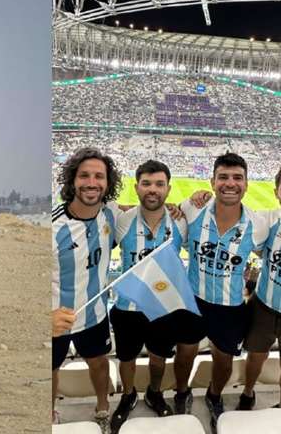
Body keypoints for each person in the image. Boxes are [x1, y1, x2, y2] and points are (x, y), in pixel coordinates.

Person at [175, 153, 269, 433]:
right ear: (212, 181)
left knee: (224, 360)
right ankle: (182, 392)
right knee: (184, 354)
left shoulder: (259, 224)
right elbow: (164, 221)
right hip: (193, 299)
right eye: (223, 177)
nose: (230, 183)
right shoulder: (192, 209)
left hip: (231, 307)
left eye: (237, 177)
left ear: (247, 184)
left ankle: (214, 396)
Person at [108, 160, 189, 433]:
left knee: (158, 358)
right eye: (146, 184)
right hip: (127, 306)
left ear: (168, 188)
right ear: (137, 187)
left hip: (162, 307)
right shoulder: (122, 221)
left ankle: (154, 392)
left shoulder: (181, 222)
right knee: (126, 359)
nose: (152, 190)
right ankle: (128, 394)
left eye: (159, 184)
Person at [52, 148, 123, 433]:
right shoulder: (54, 226)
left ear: (107, 183)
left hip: (94, 313)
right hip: (57, 320)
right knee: (50, 370)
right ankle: (49, 412)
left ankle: (102, 406)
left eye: (98, 176)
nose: (91, 182)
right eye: (84, 176)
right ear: (72, 180)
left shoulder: (109, 215)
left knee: (99, 363)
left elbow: (138, 210)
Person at [231, 166, 281, 411]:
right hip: (264, 304)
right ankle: (248, 392)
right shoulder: (269, 220)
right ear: (277, 192)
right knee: (255, 355)